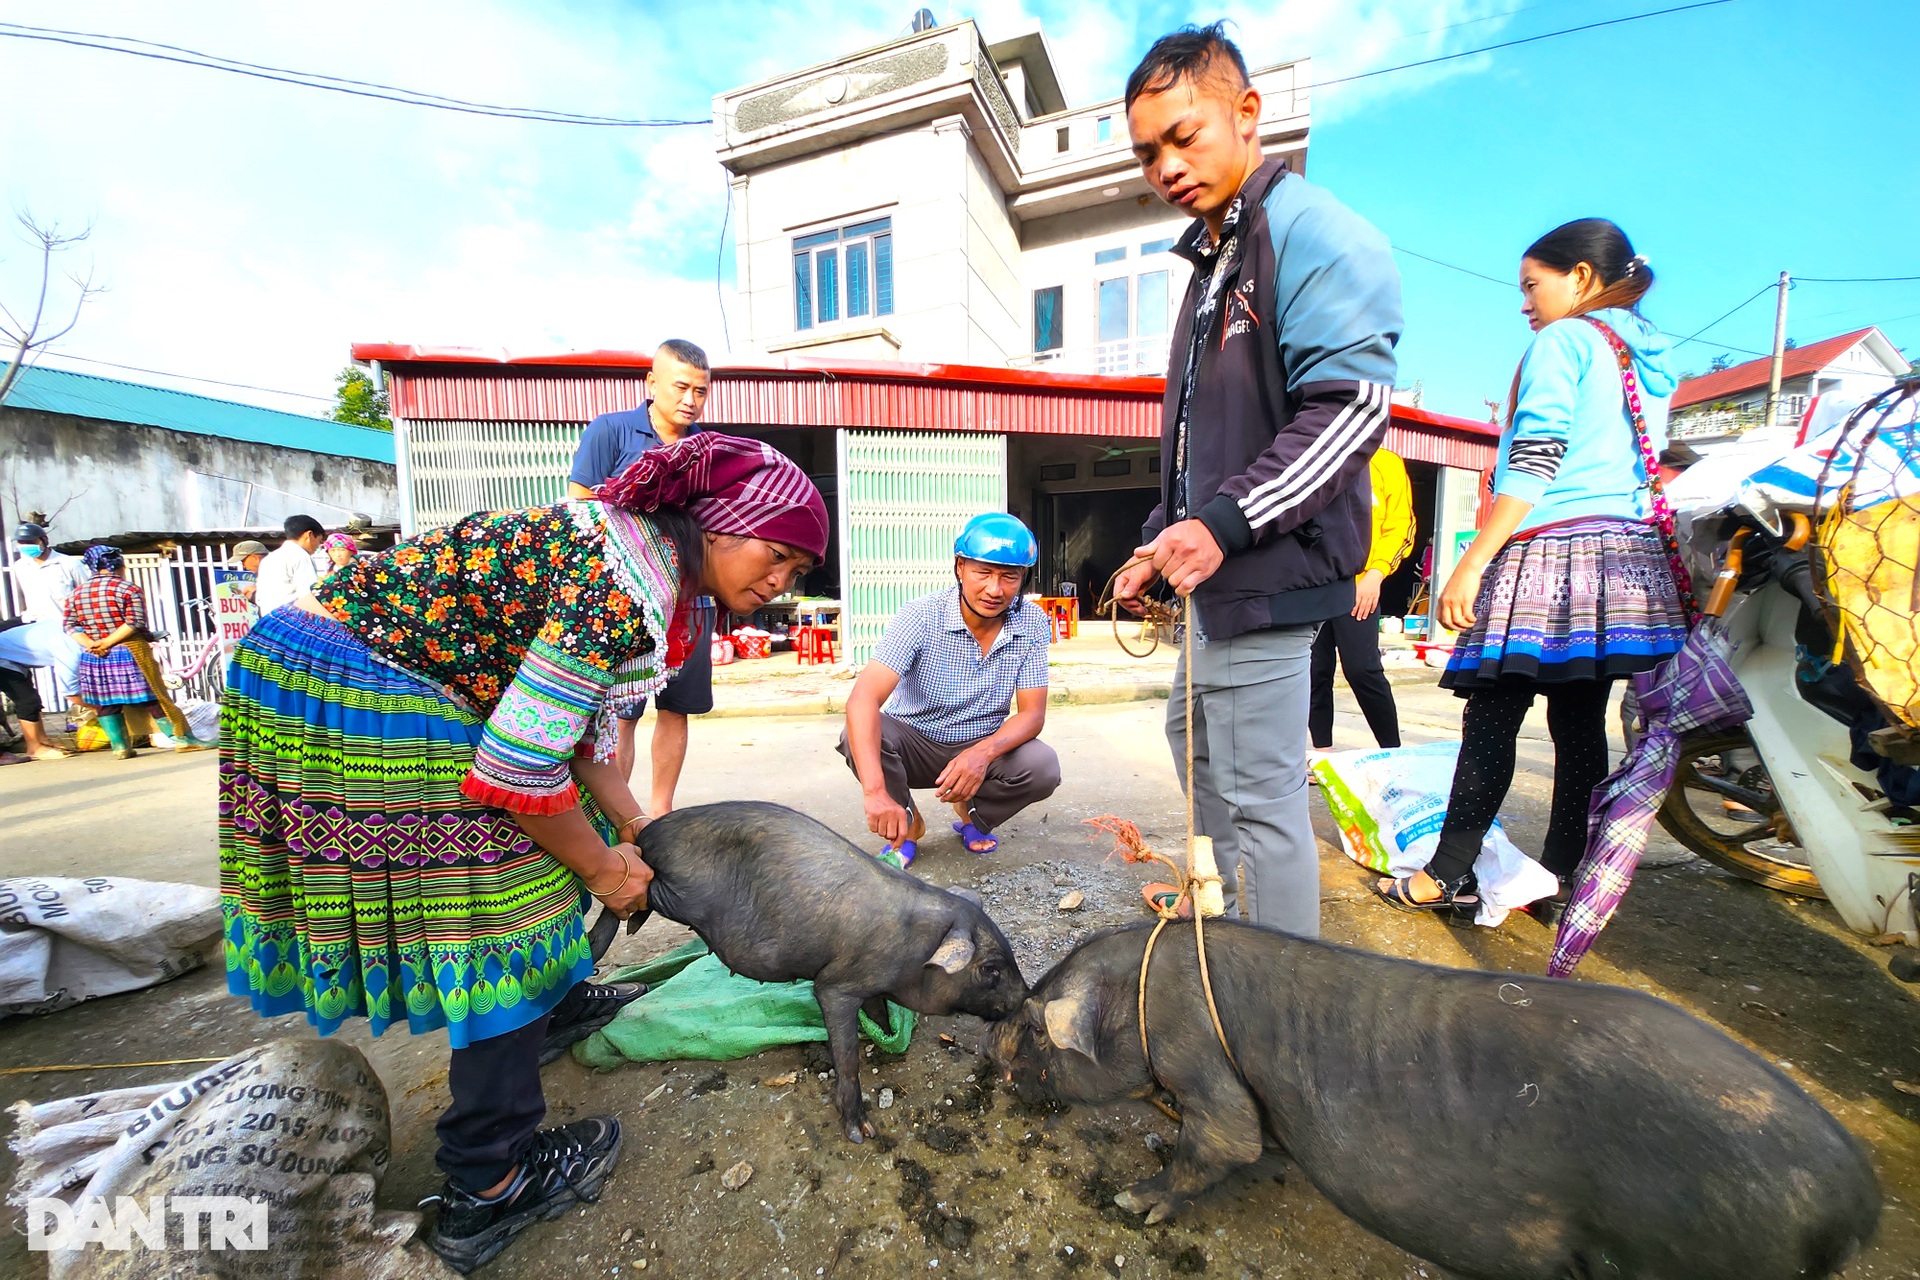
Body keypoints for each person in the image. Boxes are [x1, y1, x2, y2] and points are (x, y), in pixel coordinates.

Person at [220, 432, 828, 1273]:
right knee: (504, 911)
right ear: (719, 526)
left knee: (559, 841)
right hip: (363, 680)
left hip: (331, 657)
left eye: (797, 572)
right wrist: (607, 871)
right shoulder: (621, 589)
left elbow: (564, 729)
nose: (780, 582)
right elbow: (515, 767)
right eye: (780, 556)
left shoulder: (633, 548)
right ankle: (489, 1181)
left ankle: (553, 1002)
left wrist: (633, 828)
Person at [1110, 24, 1402, 935]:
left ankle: (1281, 994)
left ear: (1246, 114)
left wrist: (1223, 527)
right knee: (1196, 753)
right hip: (1217, 578)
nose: (1166, 166)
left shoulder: (1313, 237)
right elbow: (1208, 437)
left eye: (1184, 136)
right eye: (1147, 152)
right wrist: (1164, 538)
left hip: (1268, 578)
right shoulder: (1214, 261)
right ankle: (1227, 921)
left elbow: (1350, 412)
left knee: (1258, 796)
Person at [1373, 218, 1688, 920]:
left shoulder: (1565, 340)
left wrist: (1472, 562)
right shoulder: (1648, 356)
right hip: (1620, 558)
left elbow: (1537, 458)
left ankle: (1444, 874)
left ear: (1580, 277)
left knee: (1492, 715)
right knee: (1580, 722)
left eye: (1531, 285)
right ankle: (1559, 878)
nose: (1524, 303)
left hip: (1551, 549)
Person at [839, 513, 1060, 867]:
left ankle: (971, 811)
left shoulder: (1031, 622)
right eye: (983, 572)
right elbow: (863, 698)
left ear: (1023, 578)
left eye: (1009, 576)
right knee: (860, 731)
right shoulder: (921, 615)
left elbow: (1033, 714)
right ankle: (907, 823)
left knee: (1041, 765)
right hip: (915, 744)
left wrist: (983, 754)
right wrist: (875, 792)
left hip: (981, 743)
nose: (994, 589)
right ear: (960, 567)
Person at [566, 339, 714, 818]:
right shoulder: (610, 432)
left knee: (677, 707)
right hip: (626, 599)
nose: (691, 399)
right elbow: (580, 511)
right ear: (652, 384)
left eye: (701, 391)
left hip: (688, 599)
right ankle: (621, 814)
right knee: (622, 713)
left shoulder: (706, 449)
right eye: (681, 387)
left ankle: (661, 815)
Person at [1307, 447, 1414, 761]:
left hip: (1359, 583)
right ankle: (1321, 752)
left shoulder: (1384, 462)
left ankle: (1392, 753)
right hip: (1313, 583)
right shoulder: (1315, 457)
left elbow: (1401, 526)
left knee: (1362, 669)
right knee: (1314, 670)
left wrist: (1376, 573)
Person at [63, 545, 204, 757]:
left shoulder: (76, 593)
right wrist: (108, 642)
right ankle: (183, 739)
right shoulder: (128, 589)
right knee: (153, 698)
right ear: (118, 565)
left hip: (93, 656)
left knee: (106, 702)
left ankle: (120, 748)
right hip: (128, 651)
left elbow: (70, 626)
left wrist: (92, 644)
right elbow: (134, 622)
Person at [1, 521, 87, 760]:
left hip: (63, 626)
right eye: (22, 544)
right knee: (24, 693)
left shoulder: (69, 564)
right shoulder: (21, 566)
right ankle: (35, 746)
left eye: (31, 543)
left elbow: (85, 594)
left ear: (44, 541)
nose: (27, 548)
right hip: (33, 624)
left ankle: (41, 742)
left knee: (26, 687)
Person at [254, 515, 325, 614]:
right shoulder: (301, 556)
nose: (318, 546)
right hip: (292, 619)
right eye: (319, 540)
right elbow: (309, 595)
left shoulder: (269, 558)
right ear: (309, 535)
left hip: (270, 619)